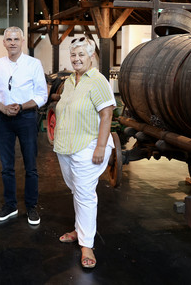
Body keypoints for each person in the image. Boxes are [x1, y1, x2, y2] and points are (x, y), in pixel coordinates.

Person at [53, 37, 116, 269]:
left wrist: (101, 146)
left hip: (89, 146)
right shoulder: (70, 81)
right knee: (76, 190)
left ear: (91, 56)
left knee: (85, 194)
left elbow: (107, 115)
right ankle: (80, 230)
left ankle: (87, 244)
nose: (76, 59)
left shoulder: (97, 80)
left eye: (81, 55)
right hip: (66, 147)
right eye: (73, 55)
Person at [0, 26, 48, 225]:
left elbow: (41, 95)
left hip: (27, 118)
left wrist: (21, 106)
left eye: (16, 39)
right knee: (7, 167)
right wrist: (3, 108)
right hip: (4, 119)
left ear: (22, 42)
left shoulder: (33, 64)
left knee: (31, 166)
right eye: (9, 39)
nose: (12, 42)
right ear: (4, 43)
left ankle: (31, 207)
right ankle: (10, 206)